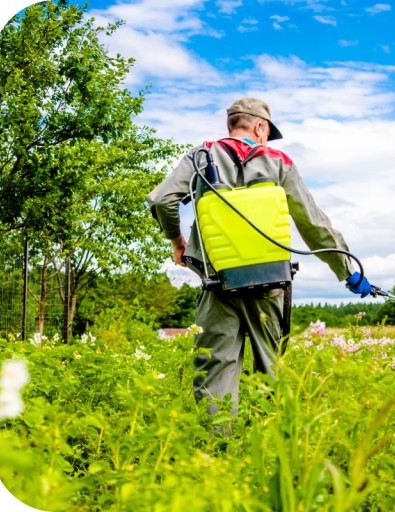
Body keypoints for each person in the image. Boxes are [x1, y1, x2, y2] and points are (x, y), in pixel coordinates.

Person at [147, 97, 371, 417]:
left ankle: (218, 444)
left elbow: (162, 200)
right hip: (270, 284)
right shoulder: (279, 162)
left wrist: (177, 242)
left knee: (214, 376)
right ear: (259, 127)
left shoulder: (200, 156)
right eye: (267, 133)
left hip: (218, 284)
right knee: (271, 373)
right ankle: (270, 440)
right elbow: (313, 223)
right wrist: (347, 270)